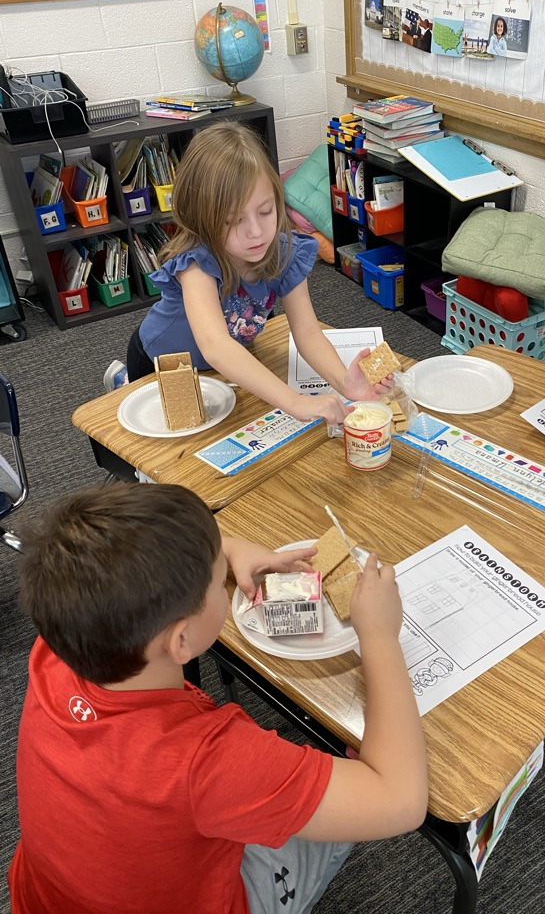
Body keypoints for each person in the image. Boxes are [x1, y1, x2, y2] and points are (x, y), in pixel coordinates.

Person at [9, 482, 428, 914]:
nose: (224, 581)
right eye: (216, 583)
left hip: (49, 897)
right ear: (182, 639)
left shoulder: (62, 642)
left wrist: (229, 549)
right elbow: (400, 800)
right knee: (343, 809)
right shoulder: (206, 761)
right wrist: (380, 636)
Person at [125, 122, 392, 425]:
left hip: (225, 369)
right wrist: (295, 403)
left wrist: (346, 383)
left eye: (265, 211)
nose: (255, 232)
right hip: (162, 364)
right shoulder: (197, 264)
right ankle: (120, 381)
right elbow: (216, 346)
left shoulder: (284, 252)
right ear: (202, 219)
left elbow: (307, 333)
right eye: (232, 220)